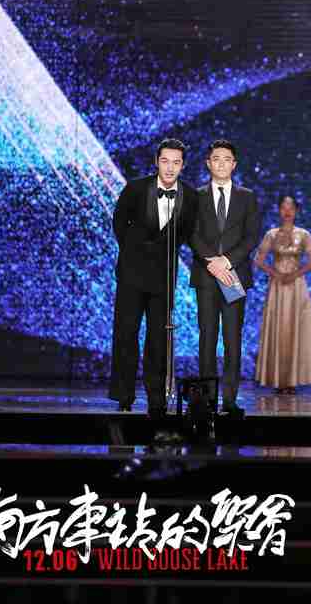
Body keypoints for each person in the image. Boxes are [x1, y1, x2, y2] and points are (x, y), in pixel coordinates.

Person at [109, 138, 197, 417]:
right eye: (165, 161)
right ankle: (124, 396)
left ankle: (156, 399)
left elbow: (187, 233)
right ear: (157, 161)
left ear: (182, 166)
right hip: (132, 274)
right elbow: (119, 223)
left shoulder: (190, 196)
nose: (170, 168)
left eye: (176, 162)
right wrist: (135, 250)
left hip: (163, 276)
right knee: (126, 334)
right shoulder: (136, 188)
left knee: (159, 339)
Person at [191, 139, 261, 416]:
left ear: (234, 164)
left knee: (233, 338)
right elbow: (192, 234)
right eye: (216, 159)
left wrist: (227, 262)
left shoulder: (247, 197)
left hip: (234, 276)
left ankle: (230, 399)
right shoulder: (196, 196)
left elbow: (251, 236)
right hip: (207, 276)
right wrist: (213, 262)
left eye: (226, 159)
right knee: (207, 337)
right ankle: (207, 399)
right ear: (208, 163)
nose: (221, 163)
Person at [254, 194, 311, 392]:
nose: (287, 212)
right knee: (278, 327)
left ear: (296, 211)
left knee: (295, 328)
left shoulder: (304, 234)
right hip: (277, 286)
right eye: (283, 208)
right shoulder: (271, 234)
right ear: (279, 210)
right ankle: (278, 380)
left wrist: (295, 274)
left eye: (291, 208)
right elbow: (259, 260)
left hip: (296, 286)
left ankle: (292, 380)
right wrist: (275, 273)